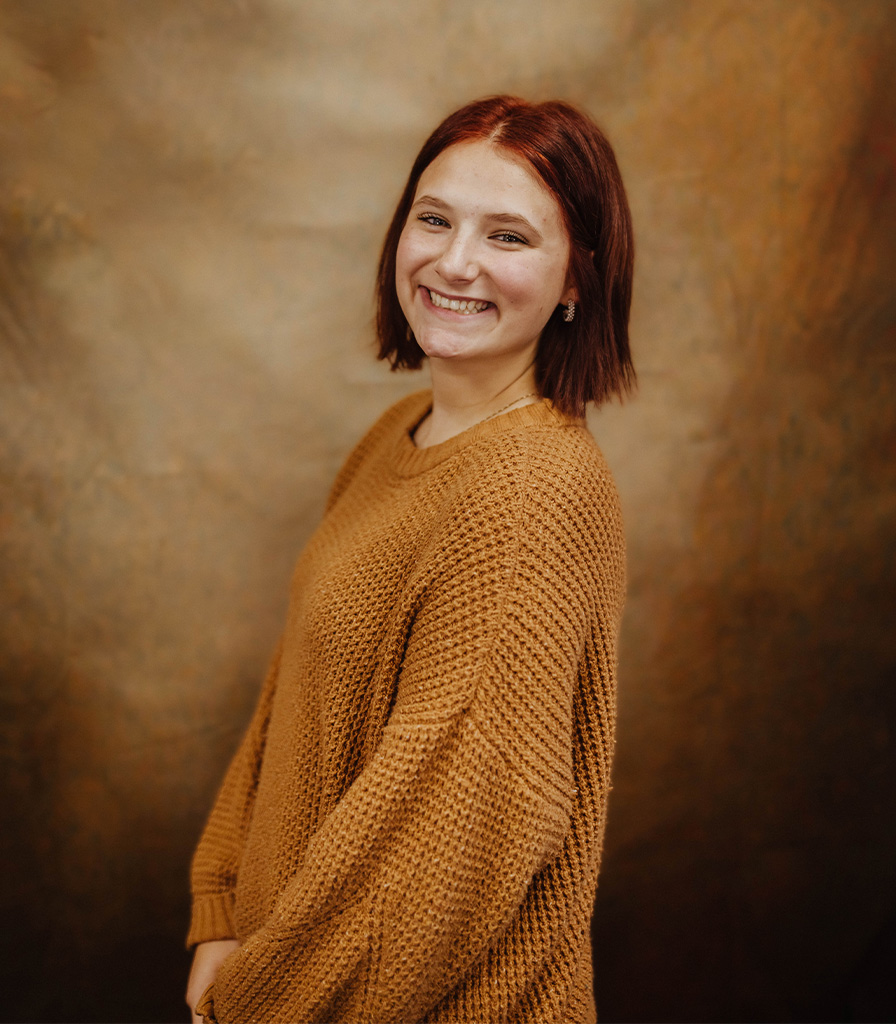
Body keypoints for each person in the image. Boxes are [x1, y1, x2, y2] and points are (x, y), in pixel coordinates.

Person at [185, 94, 634, 1024]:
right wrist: (223, 910)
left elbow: (457, 836)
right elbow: (290, 695)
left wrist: (259, 998)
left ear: (576, 282)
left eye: (508, 236)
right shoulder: (401, 433)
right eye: (434, 219)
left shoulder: (532, 496)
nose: (454, 261)